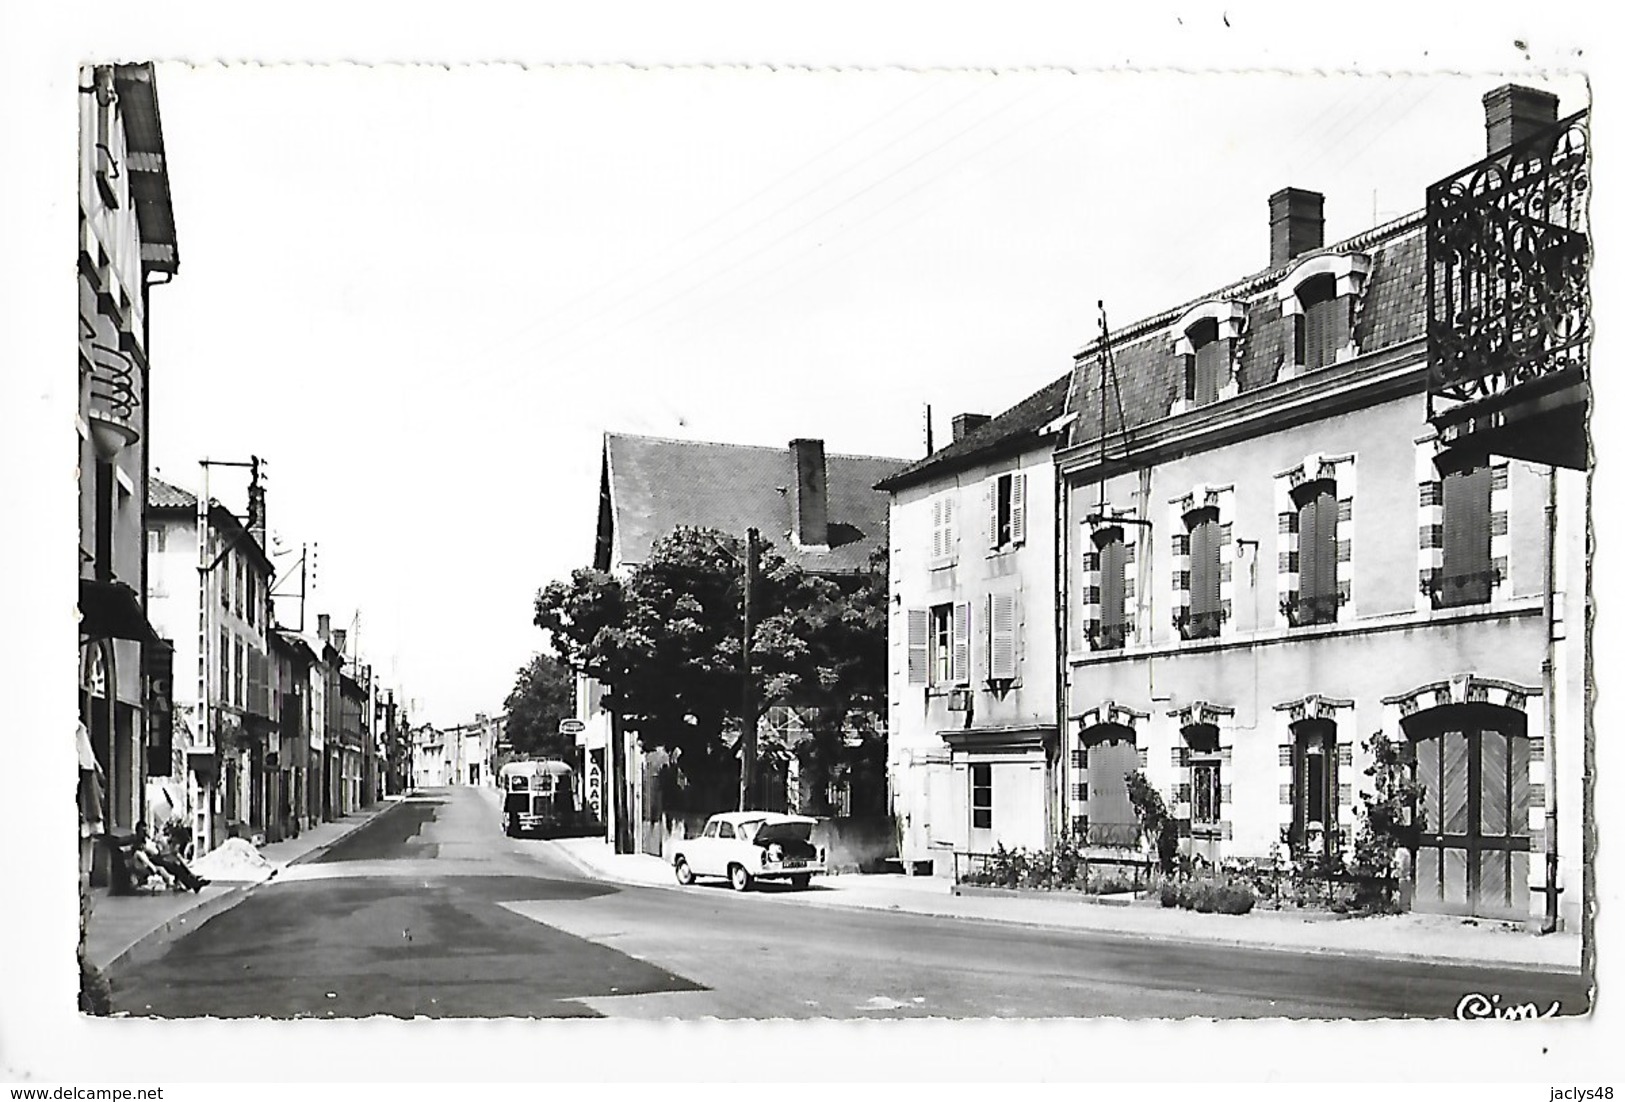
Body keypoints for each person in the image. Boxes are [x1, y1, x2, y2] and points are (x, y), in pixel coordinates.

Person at [137, 821, 210, 893]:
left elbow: (157, 848)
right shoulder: (139, 841)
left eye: (146, 829)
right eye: (143, 830)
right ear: (139, 831)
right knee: (175, 864)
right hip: (153, 860)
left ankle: (192, 881)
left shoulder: (148, 839)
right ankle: (193, 882)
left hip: (159, 857)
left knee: (176, 859)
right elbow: (145, 852)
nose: (146, 831)